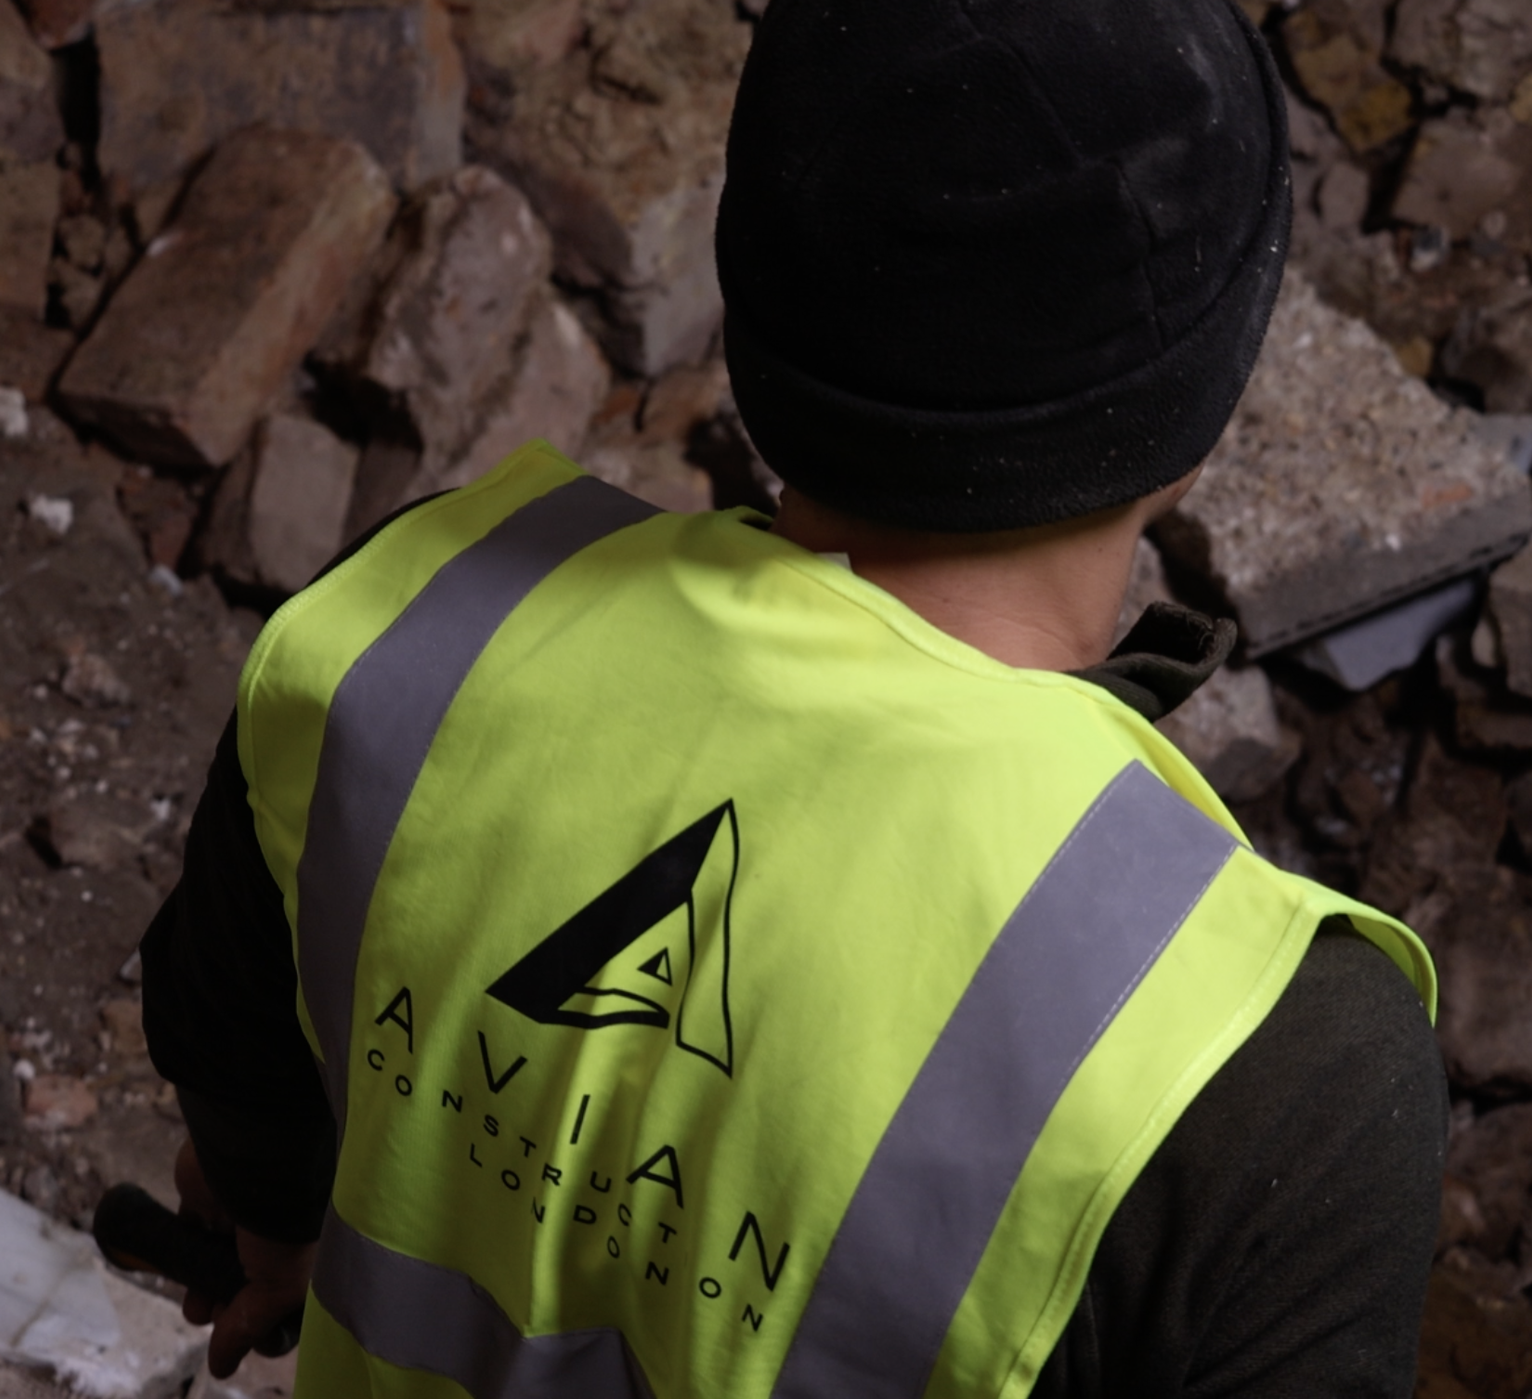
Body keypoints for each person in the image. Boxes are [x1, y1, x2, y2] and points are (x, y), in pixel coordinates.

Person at [139, 0, 1448, 1392]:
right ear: (1201, 401)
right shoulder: (1282, 1073)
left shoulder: (401, 634)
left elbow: (237, 1066)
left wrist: (278, 1216)